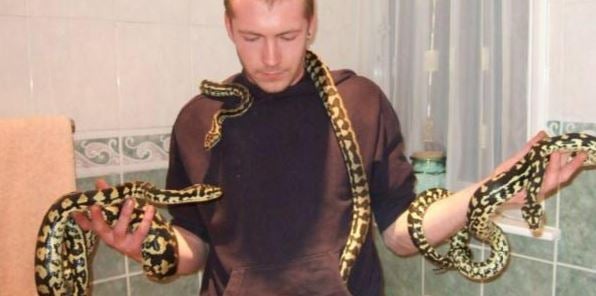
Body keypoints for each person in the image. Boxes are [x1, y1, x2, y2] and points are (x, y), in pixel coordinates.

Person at [72, 0, 587, 295]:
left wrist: (490, 192)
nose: (271, 57)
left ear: (312, 23)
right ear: (227, 25)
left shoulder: (360, 102)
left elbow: (402, 236)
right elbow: (196, 247)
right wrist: (148, 248)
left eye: (289, 36)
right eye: (251, 37)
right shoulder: (197, 119)